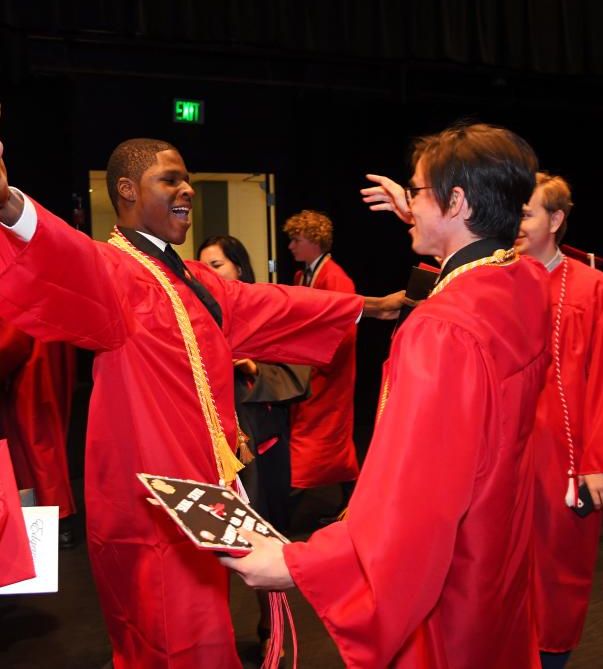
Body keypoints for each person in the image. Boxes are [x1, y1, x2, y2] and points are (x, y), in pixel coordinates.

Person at [0, 94, 402, 668]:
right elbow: (62, 252)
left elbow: (272, 304)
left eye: (188, 179)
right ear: (126, 191)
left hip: (200, 484)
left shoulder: (193, 277)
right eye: (170, 180)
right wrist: (6, 203)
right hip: (148, 491)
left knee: (198, 623)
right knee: (167, 629)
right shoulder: (114, 270)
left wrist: (370, 307)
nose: (187, 190)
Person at [223, 122, 551, 668]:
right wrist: (433, 215)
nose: (408, 202)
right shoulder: (526, 283)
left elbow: (417, 497)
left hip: (447, 578)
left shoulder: (442, 329)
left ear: (458, 200)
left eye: (417, 190)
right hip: (496, 553)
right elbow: (472, 264)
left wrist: (298, 563)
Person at [515, 172, 603, 668]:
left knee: (556, 574)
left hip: (561, 460)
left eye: (525, 213)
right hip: (498, 455)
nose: (514, 223)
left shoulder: (596, 288)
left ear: (556, 220)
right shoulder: (491, 281)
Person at [198, 234, 310, 660]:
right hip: (211, 453)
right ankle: (214, 636)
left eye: (218, 264)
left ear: (239, 268)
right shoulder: (194, 315)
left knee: (263, 543)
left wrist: (250, 367)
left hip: (259, 448)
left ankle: (272, 628)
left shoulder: (267, 310)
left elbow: (299, 374)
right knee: (213, 550)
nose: (210, 274)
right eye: (203, 266)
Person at [282, 209, 359, 517]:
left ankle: (289, 499)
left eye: (296, 240)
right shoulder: (303, 275)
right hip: (311, 366)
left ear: (314, 241)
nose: (290, 246)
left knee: (318, 433)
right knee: (324, 435)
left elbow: (345, 332)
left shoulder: (336, 278)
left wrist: (314, 361)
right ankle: (350, 492)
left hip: (330, 370)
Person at [0, 315, 78, 547]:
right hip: (50, 358)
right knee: (51, 443)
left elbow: (9, 343)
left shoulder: (17, 283)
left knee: (37, 446)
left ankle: (55, 520)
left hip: (29, 373)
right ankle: (58, 519)